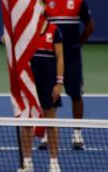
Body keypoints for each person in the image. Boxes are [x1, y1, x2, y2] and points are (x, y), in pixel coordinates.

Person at [19, 2, 64, 172]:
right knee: (26, 123)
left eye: (39, 4)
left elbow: (60, 59)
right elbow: (8, 41)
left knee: (51, 123)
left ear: (45, 7)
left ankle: (54, 162)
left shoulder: (54, 31)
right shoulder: (25, 33)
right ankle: (27, 161)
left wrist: (59, 83)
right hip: (29, 84)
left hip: (48, 84)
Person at [44, 0, 94, 149]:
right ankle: (48, 133)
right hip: (51, 57)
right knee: (49, 95)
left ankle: (77, 134)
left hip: (72, 58)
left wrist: (78, 44)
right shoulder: (44, 2)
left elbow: (90, 26)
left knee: (76, 95)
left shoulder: (78, 2)